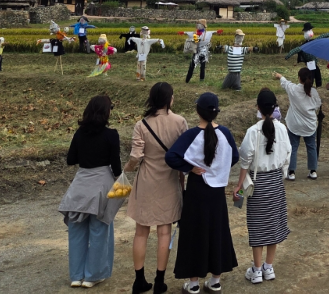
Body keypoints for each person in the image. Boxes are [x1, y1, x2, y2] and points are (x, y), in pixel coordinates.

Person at [165, 93, 239, 293]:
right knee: (217, 230)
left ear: (198, 110)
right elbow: (235, 156)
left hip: (197, 188)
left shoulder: (191, 135)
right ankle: (215, 280)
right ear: (216, 112)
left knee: (194, 234)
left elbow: (171, 157)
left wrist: (190, 168)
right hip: (217, 191)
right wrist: (219, 169)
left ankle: (194, 283)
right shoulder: (225, 133)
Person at [125, 83, 189, 294]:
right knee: (164, 232)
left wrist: (128, 169)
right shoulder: (180, 122)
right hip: (169, 181)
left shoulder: (141, 125)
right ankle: (159, 281)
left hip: (145, 181)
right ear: (169, 99)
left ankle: (139, 280)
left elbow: (136, 156)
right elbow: (185, 153)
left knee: (141, 232)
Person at [59, 95, 123, 288]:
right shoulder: (111, 135)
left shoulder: (79, 133)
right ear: (106, 112)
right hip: (102, 184)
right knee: (99, 230)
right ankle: (93, 275)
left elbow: (71, 159)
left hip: (80, 184)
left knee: (76, 231)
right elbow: (117, 167)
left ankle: (76, 276)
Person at [234, 89, 292, 284]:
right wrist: (281, 176)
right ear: (274, 107)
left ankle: (257, 270)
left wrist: (239, 186)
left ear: (257, 107)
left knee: (257, 226)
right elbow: (287, 155)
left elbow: (245, 161)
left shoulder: (253, 131)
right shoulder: (282, 129)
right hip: (276, 181)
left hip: (257, 183)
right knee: (274, 225)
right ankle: (269, 267)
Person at [274, 67, 323, 180]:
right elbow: (318, 104)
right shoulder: (314, 92)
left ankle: (291, 172)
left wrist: (280, 76)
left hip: (294, 124)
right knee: (311, 147)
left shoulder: (294, 89)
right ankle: (313, 171)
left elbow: (285, 83)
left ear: (299, 78)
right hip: (309, 124)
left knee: (293, 147)